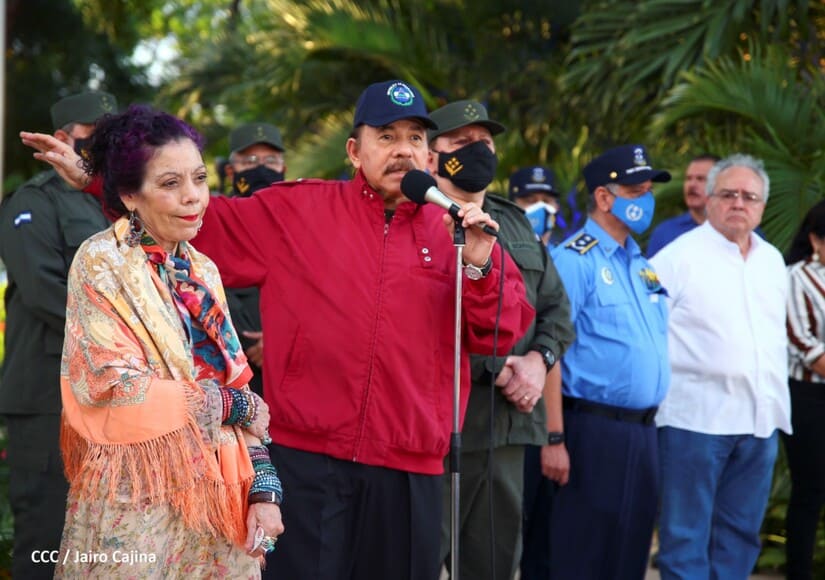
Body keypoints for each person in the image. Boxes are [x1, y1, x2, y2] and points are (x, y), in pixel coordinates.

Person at [194, 81, 533, 579]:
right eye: (387, 136)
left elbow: (499, 336)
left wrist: (480, 265)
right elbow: (192, 218)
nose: (403, 150)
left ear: (430, 157)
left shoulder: (459, 233)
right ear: (355, 151)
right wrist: (114, 174)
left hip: (409, 470)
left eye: (415, 138)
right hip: (306, 461)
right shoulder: (297, 209)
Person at [20, 105, 284, 578]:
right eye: (170, 183)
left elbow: (238, 386)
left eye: (199, 179)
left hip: (220, 497)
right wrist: (224, 403)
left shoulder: (203, 270)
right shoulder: (101, 261)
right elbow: (111, 384)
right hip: (138, 498)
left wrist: (264, 490)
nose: (193, 197)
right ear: (129, 195)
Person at [425, 101, 574, 580]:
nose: (478, 151)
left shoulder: (514, 222)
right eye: (462, 142)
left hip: (507, 427)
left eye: (485, 142)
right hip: (437, 427)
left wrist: (537, 360)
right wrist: (496, 366)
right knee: (419, 558)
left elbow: (556, 310)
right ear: (432, 156)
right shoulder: (416, 219)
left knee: (493, 563)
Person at [650, 153, 790, 579]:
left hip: (759, 421)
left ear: (762, 206)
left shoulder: (772, 260)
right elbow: (649, 334)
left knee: (740, 536)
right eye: (728, 194)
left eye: (749, 196)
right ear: (709, 199)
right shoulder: (676, 258)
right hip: (694, 421)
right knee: (685, 538)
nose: (739, 203)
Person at [0, 90, 116, 579]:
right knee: (47, 535)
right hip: (48, 397)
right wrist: (125, 338)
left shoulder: (120, 203)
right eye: (95, 134)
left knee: (108, 540)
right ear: (63, 139)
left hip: (111, 395)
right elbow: (44, 290)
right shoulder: (33, 201)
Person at [548, 144, 672, 579]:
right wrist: (553, 437)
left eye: (648, 191)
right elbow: (550, 350)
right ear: (604, 197)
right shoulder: (574, 259)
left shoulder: (640, 263)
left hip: (643, 431)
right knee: (584, 553)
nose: (646, 200)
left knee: (630, 553)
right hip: (592, 429)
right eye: (636, 192)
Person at [222, 122, 287, 397]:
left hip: (292, 364)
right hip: (232, 370)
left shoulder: (301, 222)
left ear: (283, 168)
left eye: (270, 161)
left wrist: (282, 335)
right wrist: (247, 340)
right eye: (249, 161)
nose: (261, 169)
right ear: (231, 171)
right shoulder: (213, 220)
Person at [785, 199, 825, 580]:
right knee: (810, 491)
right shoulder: (795, 278)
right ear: (815, 239)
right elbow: (804, 344)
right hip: (809, 398)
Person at [646, 153, 719, 257]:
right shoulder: (665, 232)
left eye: (701, 179)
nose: (692, 185)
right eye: (688, 178)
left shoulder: (736, 231)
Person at [508, 165, 566, 247]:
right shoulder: (497, 251)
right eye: (530, 201)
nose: (540, 207)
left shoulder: (564, 252)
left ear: (557, 207)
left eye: (546, 201)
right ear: (511, 206)